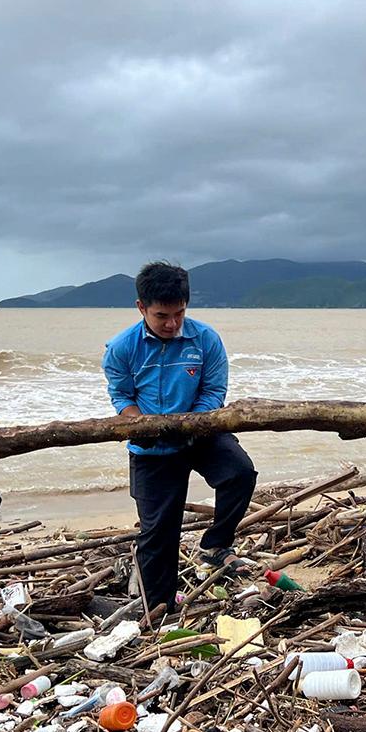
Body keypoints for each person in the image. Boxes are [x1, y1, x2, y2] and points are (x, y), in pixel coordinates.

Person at [102, 261, 258, 614]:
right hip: (151, 445)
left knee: (240, 473)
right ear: (141, 308)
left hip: (199, 431)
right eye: (162, 316)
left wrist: (192, 424)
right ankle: (158, 608)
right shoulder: (122, 348)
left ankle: (215, 545)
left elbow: (214, 391)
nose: (172, 323)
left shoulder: (205, 339)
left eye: (179, 313)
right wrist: (142, 426)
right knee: (159, 531)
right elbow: (121, 398)